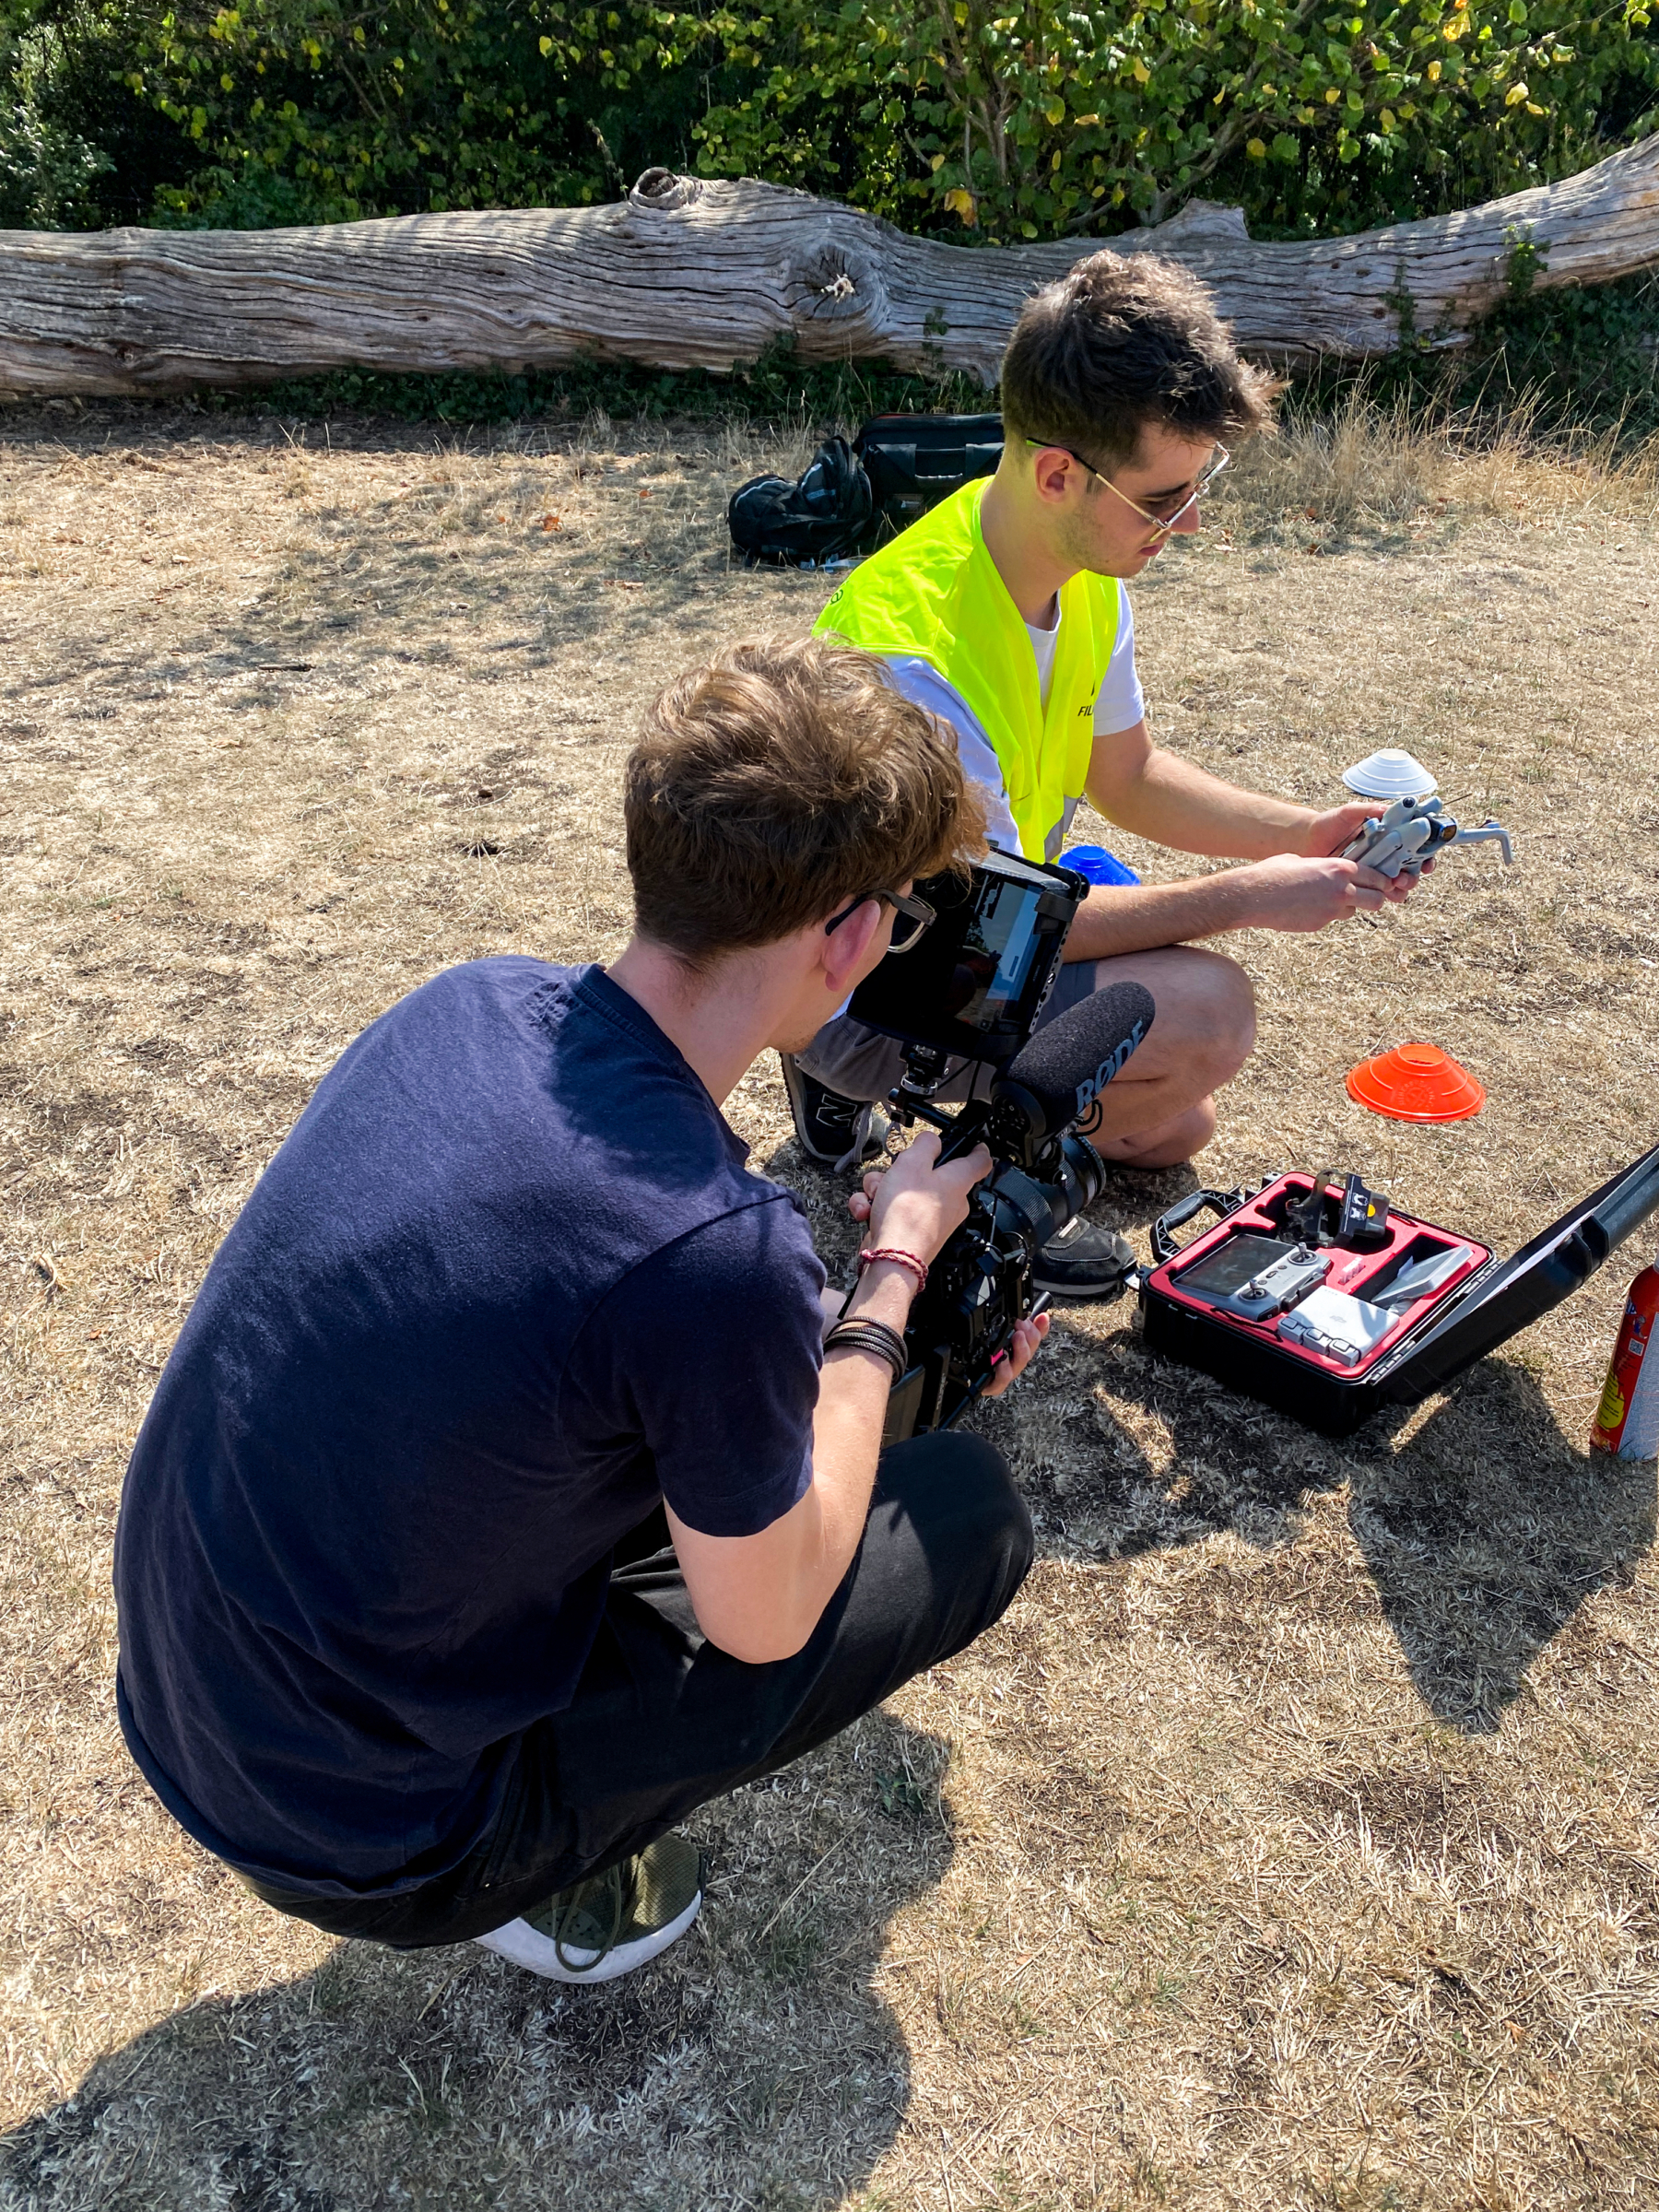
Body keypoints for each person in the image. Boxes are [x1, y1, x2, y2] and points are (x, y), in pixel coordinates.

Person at [112, 637, 1048, 1986]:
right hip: (386, 1836)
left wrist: (836, 1343)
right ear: (850, 935)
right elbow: (766, 1621)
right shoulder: (713, 1251)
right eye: (900, 917)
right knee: (963, 1509)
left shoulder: (469, 998)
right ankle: (552, 1887)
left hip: (193, 1702)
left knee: (739, 1438)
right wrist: (893, 1278)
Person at [792, 248, 1420, 1296]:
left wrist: (1302, 831)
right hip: (879, 982)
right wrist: (1250, 900)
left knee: (1179, 1120)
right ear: (1057, 474)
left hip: (967, 923)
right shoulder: (914, 664)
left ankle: (909, 1116)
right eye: (1167, 498)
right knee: (1209, 1016)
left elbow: (1128, 774)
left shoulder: (1073, 566)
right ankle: (959, 1199)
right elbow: (976, 937)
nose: (1191, 522)